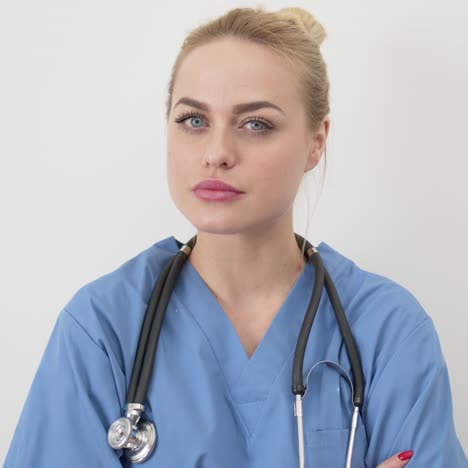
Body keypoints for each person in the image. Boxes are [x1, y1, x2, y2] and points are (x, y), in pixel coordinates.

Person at [4, 5, 467, 468]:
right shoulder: (103, 329)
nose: (217, 152)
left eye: (256, 124)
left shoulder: (388, 331)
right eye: (194, 120)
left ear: (316, 142)